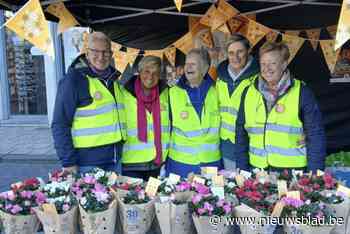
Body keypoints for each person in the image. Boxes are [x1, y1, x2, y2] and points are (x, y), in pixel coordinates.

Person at [235, 42, 326, 172]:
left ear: (284, 64)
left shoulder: (302, 92)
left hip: (293, 171)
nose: (267, 68)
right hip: (258, 170)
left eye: (272, 63)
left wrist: (315, 174)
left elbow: (315, 134)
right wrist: (242, 170)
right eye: (263, 63)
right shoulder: (248, 92)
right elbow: (241, 135)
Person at [51, 32, 126, 174]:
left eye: (105, 52)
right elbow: (60, 124)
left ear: (111, 54)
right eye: (95, 51)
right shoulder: (73, 81)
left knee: (115, 197)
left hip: (115, 161)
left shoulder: (113, 80)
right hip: (86, 163)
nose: (101, 57)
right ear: (86, 53)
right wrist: (68, 162)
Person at [166, 48, 223, 178]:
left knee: (210, 197)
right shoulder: (172, 93)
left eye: (193, 64)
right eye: (186, 63)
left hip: (210, 163)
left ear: (205, 68)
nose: (188, 67)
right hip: (180, 164)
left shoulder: (217, 91)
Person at [121, 56, 170, 180]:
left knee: (157, 199)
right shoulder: (123, 94)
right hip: (131, 164)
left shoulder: (167, 94)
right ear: (139, 71)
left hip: (158, 164)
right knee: (133, 199)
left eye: (155, 73)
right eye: (147, 71)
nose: (150, 76)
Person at [216, 34, 259, 170]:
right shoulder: (220, 78)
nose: (236, 57)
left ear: (248, 50)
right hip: (225, 147)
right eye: (231, 53)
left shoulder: (259, 77)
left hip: (252, 147)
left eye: (240, 51)